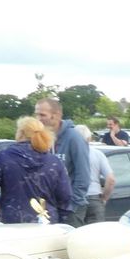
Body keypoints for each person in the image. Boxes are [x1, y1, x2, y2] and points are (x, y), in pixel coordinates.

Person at [0, 116, 72, 224]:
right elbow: (65, 195)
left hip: (13, 220)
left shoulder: (2, 157)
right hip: (46, 222)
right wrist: (62, 218)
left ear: (20, 133)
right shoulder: (54, 162)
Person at [34, 97, 91, 227]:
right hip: (46, 207)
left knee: (68, 245)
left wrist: (72, 204)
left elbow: (83, 174)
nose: (38, 118)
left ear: (56, 115)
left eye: (42, 114)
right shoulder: (39, 138)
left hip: (70, 208)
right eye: (36, 114)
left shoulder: (74, 138)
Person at [76, 124, 116, 223]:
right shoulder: (97, 154)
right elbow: (111, 180)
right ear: (89, 138)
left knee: (74, 234)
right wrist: (104, 198)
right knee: (96, 235)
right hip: (94, 198)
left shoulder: (68, 155)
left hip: (76, 199)